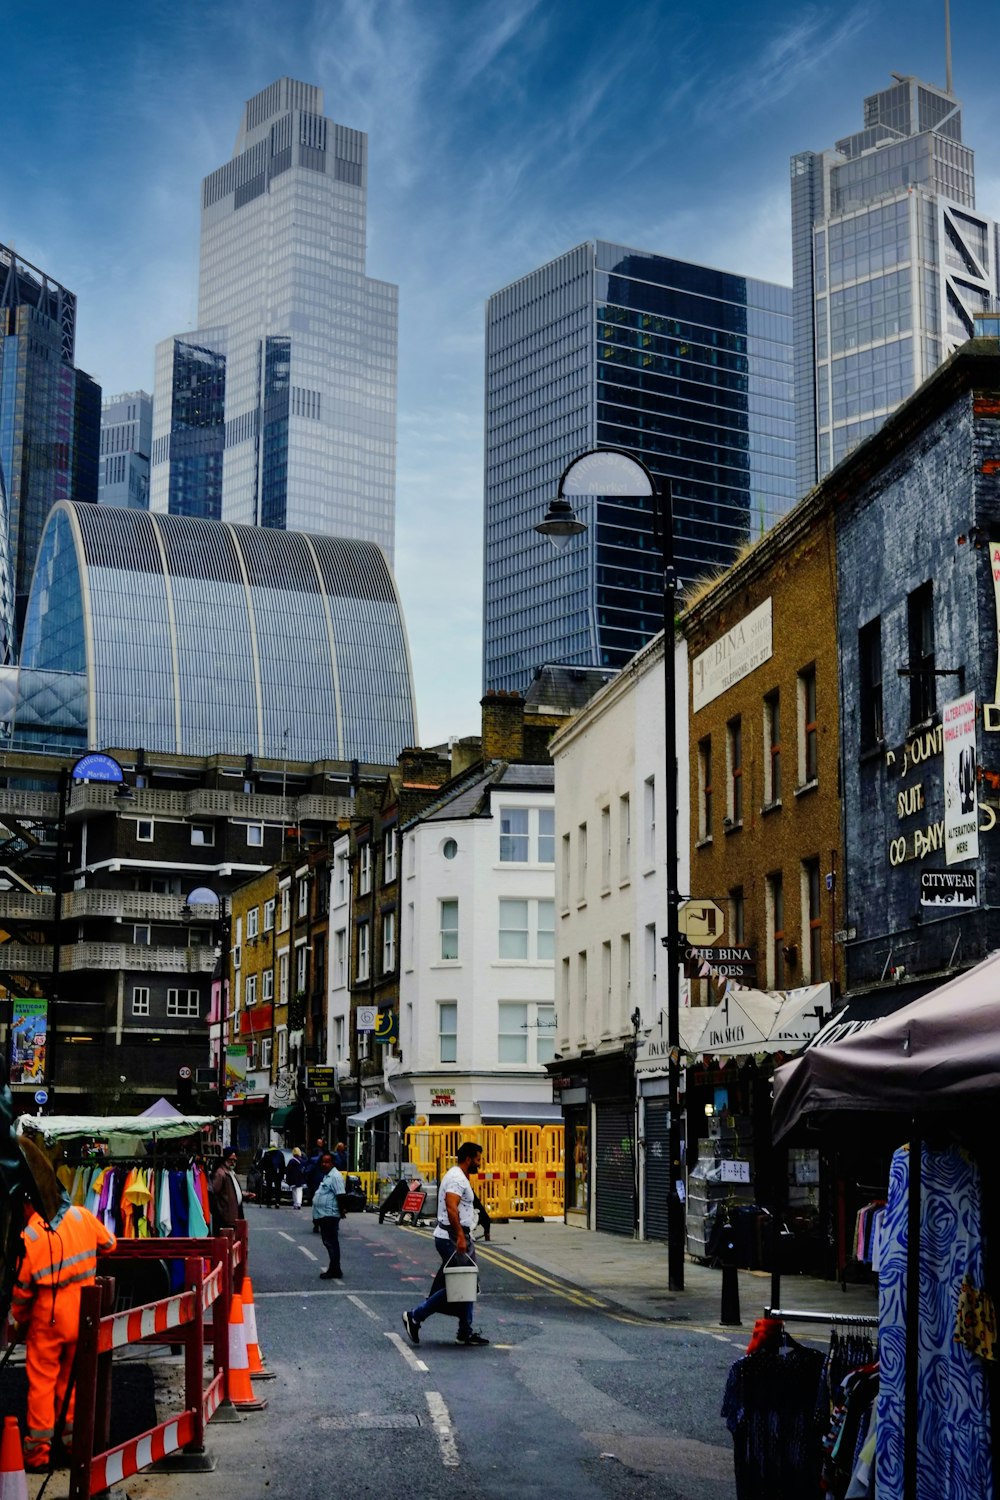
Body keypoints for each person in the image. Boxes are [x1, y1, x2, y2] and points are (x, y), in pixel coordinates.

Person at [12, 1195, 117, 1471]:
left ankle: (38, 1454)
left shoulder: (31, 1233)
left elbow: (22, 1293)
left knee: (43, 1385)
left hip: (48, 1320)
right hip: (83, 1313)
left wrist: (20, 1321)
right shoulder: (82, 1216)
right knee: (72, 1381)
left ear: (29, 1203)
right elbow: (110, 1244)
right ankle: (74, 1444)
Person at [402, 1141, 489, 1347]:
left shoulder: (458, 1175)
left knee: (466, 1282)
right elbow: (451, 1207)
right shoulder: (457, 1179)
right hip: (452, 1237)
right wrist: (459, 1235)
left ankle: (464, 1331)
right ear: (468, 1159)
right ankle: (415, 1316)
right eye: (478, 1159)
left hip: (458, 1236)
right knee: (458, 1285)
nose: (480, 1163)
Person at [311, 1152, 346, 1279]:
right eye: (323, 1162)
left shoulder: (336, 1176)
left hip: (330, 1214)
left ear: (333, 1163)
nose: (324, 1164)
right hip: (324, 1214)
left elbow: (341, 1195)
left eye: (327, 1162)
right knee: (328, 1242)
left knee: (331, 1243)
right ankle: (334, 1268)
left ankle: (335, 1269)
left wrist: (341, 1211)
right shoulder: (327, 1176)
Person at [209, 1148, 245, 1233]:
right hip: (225, 1217)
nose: (233, 1162)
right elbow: (213, 1193)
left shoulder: (231, 1172)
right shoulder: (221, 1173)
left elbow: (232, 1190)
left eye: (234, 1160)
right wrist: (220, 1211)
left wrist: (244, 1194)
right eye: (231, 1160)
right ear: (225, 1159)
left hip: (233, 1215)